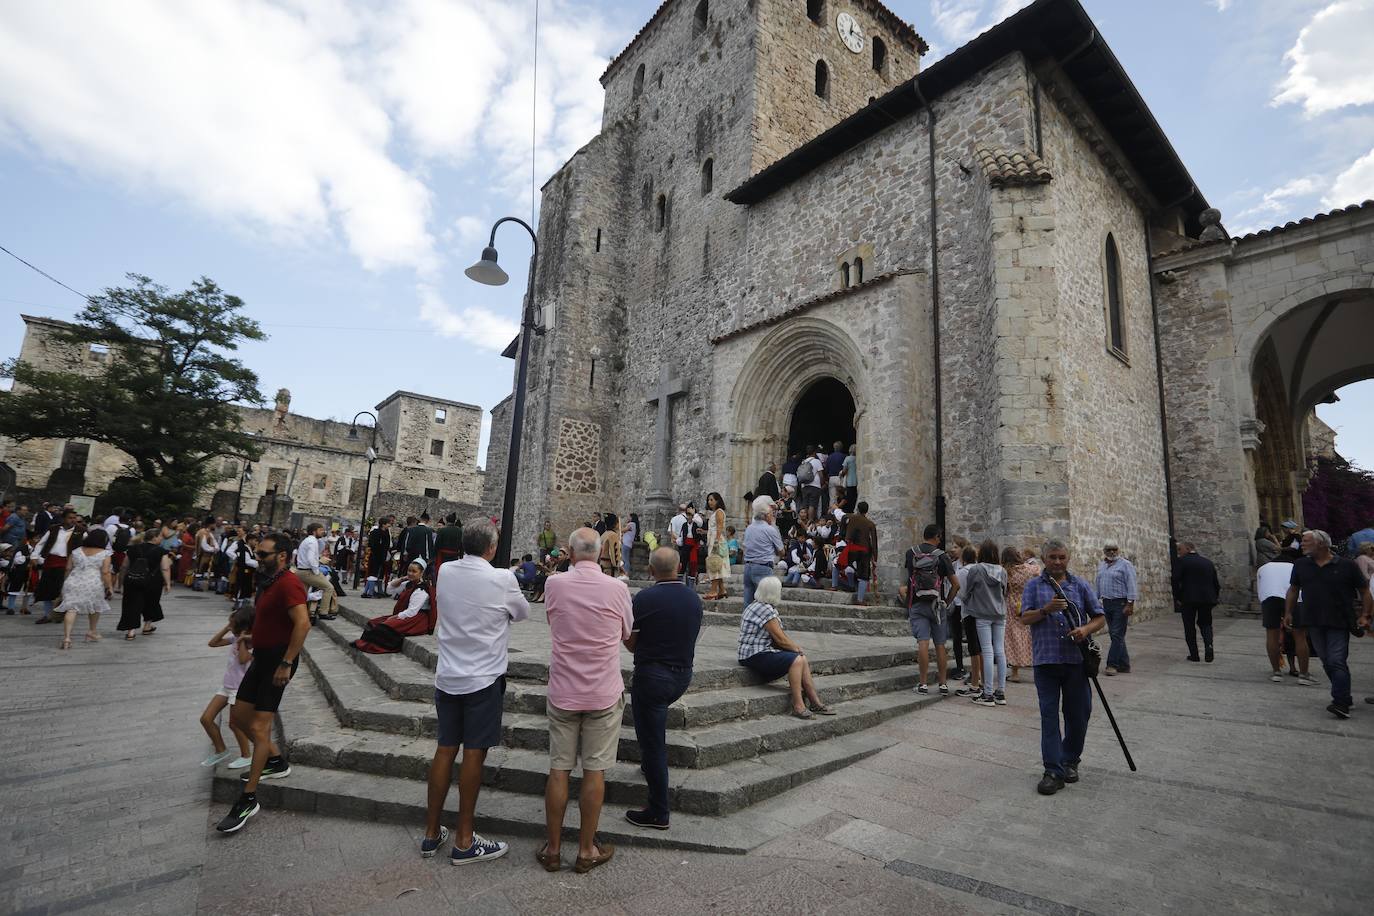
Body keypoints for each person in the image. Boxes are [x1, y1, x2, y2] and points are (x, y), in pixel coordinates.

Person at [422, 519, 528, 863]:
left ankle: (431, 832)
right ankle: (465, 839)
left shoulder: (446, 572)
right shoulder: (502, 578)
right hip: (483, 678)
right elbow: (522, 613)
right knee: (473, 754)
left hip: (449, 675)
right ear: (491, 548)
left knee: (444, 749)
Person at [540, 528, 632, 873]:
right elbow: (626, 632)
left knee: (559, 768)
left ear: (570, 552)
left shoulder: (554, 584)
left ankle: (552, 849)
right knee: (595, 770)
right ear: (601, 553)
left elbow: (553, 621)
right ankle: (585, 850)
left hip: (564, 689)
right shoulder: (618, 588)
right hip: (603, 691)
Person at [216, 534, 311, 834]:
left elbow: (303, 623)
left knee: (258, 728)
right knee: (239, 717)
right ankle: (275, 761)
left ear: (282, 556)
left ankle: (248, 798)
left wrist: (286, 662)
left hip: (278, 661)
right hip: (261, 658)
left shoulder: (289, 584)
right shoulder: (268, 582)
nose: (258, 559)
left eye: (263, 555)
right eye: (257, 554)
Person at [1019, 538, 1106, 795]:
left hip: (1076, 661)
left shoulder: (1079, 585)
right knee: (1049, 716)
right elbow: (1024, 618)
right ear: (1044, 559)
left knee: (1078, 715)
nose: (1057, 562)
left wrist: (1085, 629)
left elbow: (1099, 616)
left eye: (1061, 557)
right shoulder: (1033, 586)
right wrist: (1045, 610)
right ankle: (1053, 771)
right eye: (1052, 557)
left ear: (1067, 559)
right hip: (1046, 660)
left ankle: (1070, 760)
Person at [624, 547, 703, 830]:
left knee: (653, 744)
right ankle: (649, 767)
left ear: (651, 570)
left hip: (653, 677)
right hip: (682, 676)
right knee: (652, 738)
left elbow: (631, 642)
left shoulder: (645, 599)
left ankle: (658, 812)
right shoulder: (694, 599)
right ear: (679, 566)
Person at [1285, 529, 1373, 719]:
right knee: (1327, 661)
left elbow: (1365, 591)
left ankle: (1340, 702)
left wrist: (1365, 615)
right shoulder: (1301, 565)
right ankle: (1345, 696)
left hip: (1340, 621)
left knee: (1336, 660)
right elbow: (1293, 589)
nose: (1302, 545)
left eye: (1306, 542)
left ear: (1321, 544)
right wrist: (1288, 613)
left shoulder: (1347, 566)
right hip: (1313, 621)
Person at [736, 575, 833, 718]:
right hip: (754, 655)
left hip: (752, 653)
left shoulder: (756, 605)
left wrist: (796, 650)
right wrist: (796, 648)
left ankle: (814, 701)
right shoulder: (765, 609)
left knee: (801, 658)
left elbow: (777, 639)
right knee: (797, 659)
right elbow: (780, 640)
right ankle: (798, 705)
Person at [906, 524, 958, 695]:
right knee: (940, 645)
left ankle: (923, 684)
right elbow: (956, 585)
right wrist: (947, 602)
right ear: (936, 536)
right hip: (937, 605)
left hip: (917, 603)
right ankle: (942, 684)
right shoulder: (942, 556)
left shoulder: (911, 553)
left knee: (923, 642)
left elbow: (909, 579)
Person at [200, 607, 254, 769]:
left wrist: (243, 640)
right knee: (206, 719)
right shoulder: (234, 637)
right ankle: (221, 749)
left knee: (235, 724)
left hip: (240, 689)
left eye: (233, 624)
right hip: (227, 686)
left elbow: (244, 660)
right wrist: (226, 629)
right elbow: (213, 643)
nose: (231, 626)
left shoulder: (253, 642)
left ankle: (246, 755)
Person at [354, 559, 436, 653]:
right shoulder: (409, 584)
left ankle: (374, 647)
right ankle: (365, 643)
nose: (410, 573)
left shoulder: (421, 590)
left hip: (417, 619)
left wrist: (395, 617)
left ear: (421, 573)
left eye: (414, 571)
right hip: (407, 615)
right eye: (409, 570)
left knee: (384, 627)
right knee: (373, 622)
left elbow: (412, 612)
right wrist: (403, 578)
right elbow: (390, 588)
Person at [963, 540, 1009, 706]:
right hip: (1000, 613)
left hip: (982, 613)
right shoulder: (1002, 571)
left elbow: (968, 590)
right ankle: (1000, 692)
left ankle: (988, 693)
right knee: (1000, 651)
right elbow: (1005, 591)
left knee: (987, 651)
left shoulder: (976, 569)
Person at [57, 527, 113, 649]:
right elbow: (105, 572)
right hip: (93, 582)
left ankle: (67, 638)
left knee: (71, 609)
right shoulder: (105, 554)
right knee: (95, 606)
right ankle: (92, 631)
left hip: (73, 580)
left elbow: (67, 568)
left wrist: (65, 582)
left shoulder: (76, 551)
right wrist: (109, 587)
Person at [1258, 548, 1304, 683]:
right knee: (1299, 636)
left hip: (1269, 598)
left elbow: (1261, 590)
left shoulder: (1263, 568)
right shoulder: (1296, 566)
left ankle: (1276, 671)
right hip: (1294, 599)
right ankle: (1303, 673)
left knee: (1272, 635)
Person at [117, 529, 172, 639]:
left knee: (132, 605)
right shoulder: (161, 551)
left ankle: (131, 632)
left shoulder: (132, 549)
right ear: (154, 537)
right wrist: (168, 583)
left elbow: (124, 566)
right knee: (151, 603)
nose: (162, 538)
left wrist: (121, 582)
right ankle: (147, 626)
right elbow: (165, 568)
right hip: (153, 581)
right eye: (160, 536)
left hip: (133, 580)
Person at [1094, 542, 1138, 675]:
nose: (1112, 552)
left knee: (1117, 635)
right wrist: (1095, 601)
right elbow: (1098, 583)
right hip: (1106, 603)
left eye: (1114, 549)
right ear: (1104, 551)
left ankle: (1112, 665)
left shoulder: (1125, 565)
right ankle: (1124, 665)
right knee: (1115, 635)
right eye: (1109, 549)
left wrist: (1130, 604)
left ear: (1118, 550)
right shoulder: (1102, 565)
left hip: (1121, 604)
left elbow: (1131, 584)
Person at [1173, 542, 1220, 662]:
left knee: (1189, 626)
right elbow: (1216, 583)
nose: (1178, 552)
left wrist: (1177, 597)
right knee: (1206, 623)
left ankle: (1194, 654)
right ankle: (1209, 645)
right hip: (1207, 599)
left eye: (1180, 549)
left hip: (1188, 599)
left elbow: (1175, 579)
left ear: (1188, 549)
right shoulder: (1207, 562)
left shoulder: (1182, 561)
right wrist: (1214, 597)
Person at [33, 508, 78, 623]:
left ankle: (59, 613)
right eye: (70, 518)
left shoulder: (81, 531)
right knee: (47, 589)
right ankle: (47, 615)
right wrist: (35, 556)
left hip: (68, 564)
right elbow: (41, 543)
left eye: (74, 518)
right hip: (51, 562)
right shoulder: (54, 529)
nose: (73, 520)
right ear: (64, 518)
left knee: (63, 590)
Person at [742, 495, 784, 607]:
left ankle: (747, 622)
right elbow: (781, 551)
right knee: (766, 601)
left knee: (748, 601)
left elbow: (745, 546)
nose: (772, 516)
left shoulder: (749, 528)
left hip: (748, 566)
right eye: (771, 514)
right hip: (763, 566)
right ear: (765, 516)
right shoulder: (770, 530)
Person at [952, 545, 982, 697]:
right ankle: (981, 679)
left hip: (969, 611)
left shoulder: (963, 572)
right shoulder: (980, 569)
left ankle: (975, 682)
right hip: (982, 611)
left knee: (974, 648)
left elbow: (961, 593)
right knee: (982, 647)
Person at [295, 523, 338, 623]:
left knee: (303, 594)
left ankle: (301, 613)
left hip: (301, 570)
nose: (323, 532)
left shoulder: (308, 540)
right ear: (314, 531)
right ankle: (323, 612)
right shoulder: (312, 541)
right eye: (321, 530)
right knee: (329, 587)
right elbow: (311, 559)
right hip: (308, 571)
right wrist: (316, 571)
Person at [1003, 547, 1033, 682]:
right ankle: (1032, 661)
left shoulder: (1007, 572)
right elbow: (1038, 571)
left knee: (1013, 636)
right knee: (1029, 634)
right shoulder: (1029, 569)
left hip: (1011, 604)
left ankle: (1015, 672)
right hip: (1027, 602)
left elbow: (1004, 590)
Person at [841, 501, 877, 606]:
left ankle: (835, 584)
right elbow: (874, 542)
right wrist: (875, 557)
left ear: (858, 509)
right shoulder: (870, 523)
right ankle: (860, 599)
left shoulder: (852, 519)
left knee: (838, 564)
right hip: (865, 550)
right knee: (864, 575)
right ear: (867, 510)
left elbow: (848, 536)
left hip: (853, 548)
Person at [703, 492, 730, 601]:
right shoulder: (714, 513)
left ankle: (714, 591)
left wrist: (716, 542)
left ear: (717, 501)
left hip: (716, 541)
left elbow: (719, 528)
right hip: (714, 539)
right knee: (717, 565)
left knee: (714, 565)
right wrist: (704, 532)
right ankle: (722, 590)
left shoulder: (719, 512)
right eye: (708, 500)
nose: (709, 502)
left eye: (712, 500)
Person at [364, 517, 393, 597]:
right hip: (375, 555)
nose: (389, 525)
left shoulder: (386, 532)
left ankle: (379, 591)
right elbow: (372, 544)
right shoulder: (375, 532)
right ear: (383, 524)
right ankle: (369, 591)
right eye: (388, 523)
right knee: (373, 573)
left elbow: (387, 544)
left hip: (383, 556)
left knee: (380, 574)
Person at [798, 448, 825, 517]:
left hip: (804, 485)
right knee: (812, 504)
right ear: (814, 453)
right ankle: (810, 520)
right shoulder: (817, 461)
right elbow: (821, 475)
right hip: (815, 486)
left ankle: (805, 520)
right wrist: (822, 483)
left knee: (806, 504)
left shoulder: (803, 462)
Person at [825, 441, 846, 515]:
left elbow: (826, 469)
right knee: (842, 496)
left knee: (832, 498)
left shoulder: (829, 457)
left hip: (831, 478)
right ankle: (841, 513)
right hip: (840, 477)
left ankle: (832, 514)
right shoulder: (844, 456)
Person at [598, 513, 622, 577]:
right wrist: (618, 566)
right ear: (615, 524)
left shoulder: (604, 534)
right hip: (608, 566)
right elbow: (614, 552)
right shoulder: (613, 535)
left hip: (601, 564)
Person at [621, 513, 639, 577]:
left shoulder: (631, 524)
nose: (627, 518)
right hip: (627, 544)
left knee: (625, 560)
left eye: (629, 517)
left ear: (632, 518)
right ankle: (624, 574)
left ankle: (626, 574)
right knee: (625, 559)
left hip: (626, 544)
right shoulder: (634, 524)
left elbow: (622, 530)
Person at [842, 445, 858, 510]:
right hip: (856, 481)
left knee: (849, 498)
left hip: (850, 481)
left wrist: (841, 474)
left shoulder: (847, 458)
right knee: (855, 497)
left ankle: (850, 511)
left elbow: (844, 470)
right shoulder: (857, 458)